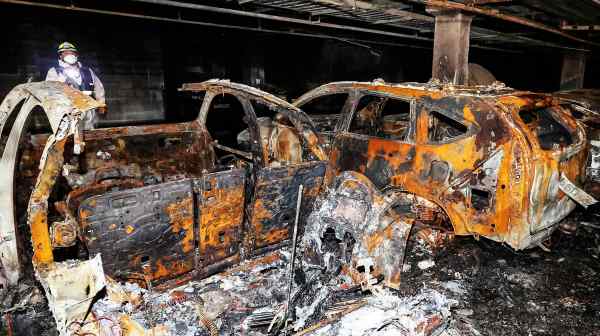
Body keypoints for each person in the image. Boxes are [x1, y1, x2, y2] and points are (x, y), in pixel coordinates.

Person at [45, 42, 106, 129]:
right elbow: (49, 92)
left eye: (71, 52)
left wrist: (101, 103)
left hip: (88, 111)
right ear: (60, 56)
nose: (69, 54)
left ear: (76, 55)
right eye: (65, 53)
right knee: (69, 136)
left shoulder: (87, 71)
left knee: (89, 135)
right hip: (67, 112)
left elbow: (99, 89)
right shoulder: (54, 72)